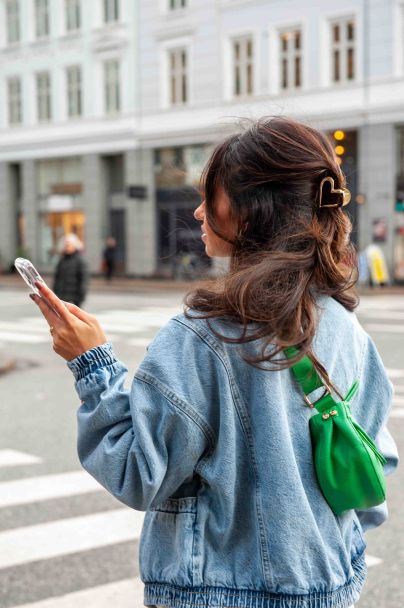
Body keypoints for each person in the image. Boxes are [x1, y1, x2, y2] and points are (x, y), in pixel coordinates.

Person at [30, 117, 398, 608]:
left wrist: (92, 364)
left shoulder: (203, 336)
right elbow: (375, 462)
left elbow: (138, 471)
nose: (200, 212)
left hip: (217, 592)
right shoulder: (342, 323)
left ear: (251, 209)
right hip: (330, 581)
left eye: (212, 196)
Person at [53, 233, 88, 307]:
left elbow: (83, 279)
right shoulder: (62, 260)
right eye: (65, 245)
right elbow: (57, 277)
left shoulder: (80, 260)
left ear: (74, 246)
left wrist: (81, 295)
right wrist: (55, 291)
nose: (66, 247)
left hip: (75, 297)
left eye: (68, 245)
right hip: (62, 296)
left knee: (75, 317)